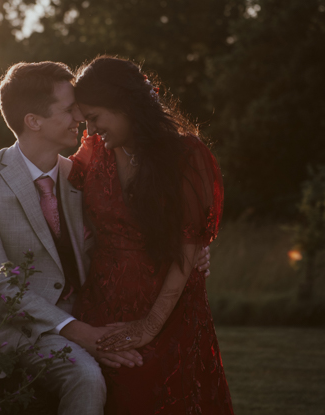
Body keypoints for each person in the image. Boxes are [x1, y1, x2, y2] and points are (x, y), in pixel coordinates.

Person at [0, 61, 211, 415]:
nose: (80, 117)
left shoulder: (82, 173)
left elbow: (140, 222)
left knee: (142, 369)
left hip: (90, 315)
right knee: (88, 377)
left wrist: (197, 248)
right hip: (17, 325)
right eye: (69, 109)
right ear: (34, 121)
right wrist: (79, 332)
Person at [68, 56, 234, 414]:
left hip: (171, 311)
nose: (92, 130)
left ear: (125, 105)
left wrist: (149, 326)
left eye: (95, 117)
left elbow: (187, 247)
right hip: (103, 309)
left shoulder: (186, 155)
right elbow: (52, 183)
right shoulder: (94, 151)